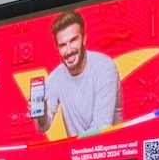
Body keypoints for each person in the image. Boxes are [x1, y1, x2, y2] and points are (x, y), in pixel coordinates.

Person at [35, 9, 123, 138]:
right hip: (77, 149)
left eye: (73, 40)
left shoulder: (104, 67)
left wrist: (72, 147)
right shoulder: (55, 78)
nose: (69, 50)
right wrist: (41, 114)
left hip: (109, 147)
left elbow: (101, 127)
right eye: (62, 45)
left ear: (84, 39)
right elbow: (44, 126)